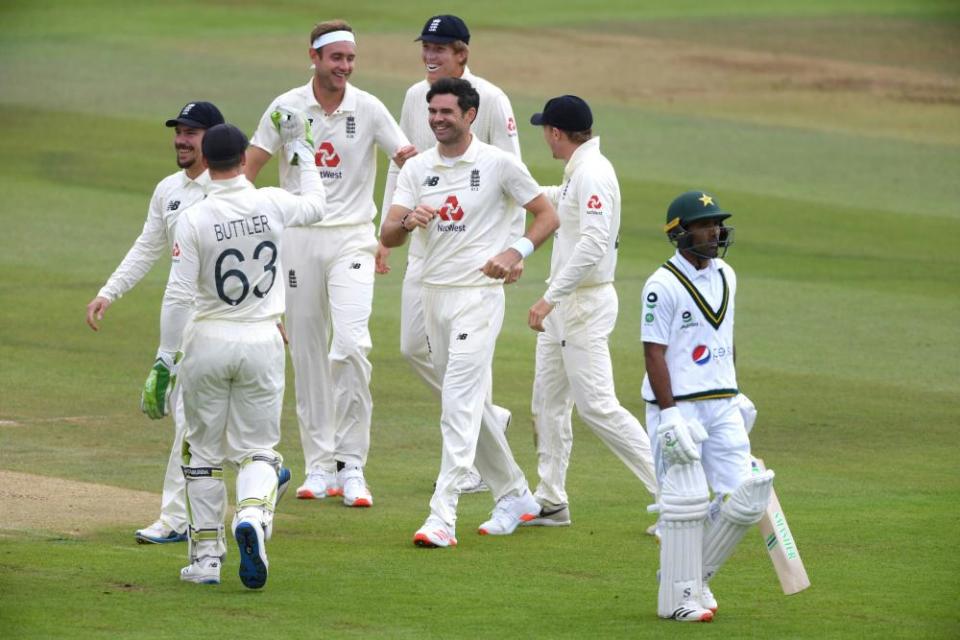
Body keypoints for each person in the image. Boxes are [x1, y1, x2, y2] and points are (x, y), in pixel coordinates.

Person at [141, 117, 326, 588]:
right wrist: (302, 149)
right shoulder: (271, 203)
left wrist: (165, 359)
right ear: (244, 159)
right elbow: (318, 206)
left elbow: (178, 295)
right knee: (258, 451)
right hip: (263, 338)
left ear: (208, 161)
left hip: (207, 339)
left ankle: (205, 559)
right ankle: (249, 516)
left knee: (199, 450)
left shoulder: (195, 217)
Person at [381, 77, 559, 548]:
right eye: (432, 112)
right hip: (432, 294)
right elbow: (388, 235)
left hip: (478, 296)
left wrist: (515, 252)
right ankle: (516, 495)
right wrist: (406, 221)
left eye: (447, 113)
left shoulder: (499, 164)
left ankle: (442, 514)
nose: (437, 120)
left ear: (470, 115)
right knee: (468, 404)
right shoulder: (417, 168)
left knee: (458, 402)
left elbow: (547, 215)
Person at [244, 20, 415, 507]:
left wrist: (392, 228)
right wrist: (260, 237)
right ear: (314, 57)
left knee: (352, 345)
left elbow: (406, 158)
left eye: (350, 59)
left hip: (352, 240)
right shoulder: (286, 107)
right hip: (298, 238)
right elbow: (249, 171)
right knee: (308, 355)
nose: (344, 67)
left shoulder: (369, 107)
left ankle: (353, 466)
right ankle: (320, 466)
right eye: (336, 58)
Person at [85, 101, 246, 545]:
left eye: (191, 133)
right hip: (182, 320)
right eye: (178, 131)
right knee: (200, 420)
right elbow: (146, 246)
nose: (181, 139)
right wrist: (108, 291)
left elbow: (259, 257)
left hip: (222, 319)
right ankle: (260, 470)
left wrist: (273, 316)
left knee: (188, 420)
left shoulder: (232, 192)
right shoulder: (168, 190)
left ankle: (176, 517)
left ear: (211, 139)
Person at [378, 14, 521, 494]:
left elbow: (514, 178)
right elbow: (402, 168)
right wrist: (387, 232)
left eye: (440, 48)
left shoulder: (491, 99)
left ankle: (476, 469)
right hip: (422, 244)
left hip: (476, 252)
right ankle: (487, 418)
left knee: (468, 361)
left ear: (463, 53)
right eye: (426, 48)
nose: (430, 56)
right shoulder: (415, 97)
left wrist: (513, 250)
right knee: (412, 346)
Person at [521, 95, 658, 528]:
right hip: (568, 304)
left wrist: (551, 297)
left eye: (546, 129)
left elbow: (594, 242)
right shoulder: (580, 171)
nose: (545, 135)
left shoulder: (594, 173)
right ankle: (551, 500)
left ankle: (675, 495)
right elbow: (560, 200)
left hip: (583, 303)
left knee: (598, 406)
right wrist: (514, 188)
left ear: (556, 133)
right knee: (548, 402)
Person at [640, 190, 774, 621]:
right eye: (704, 224)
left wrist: (733, 392)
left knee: (746, 499)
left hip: (720, 404)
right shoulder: (661, 285)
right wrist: (671, 415)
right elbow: (653, 352)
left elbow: (724, 339)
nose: (714, 231)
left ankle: (692, 577)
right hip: (678, 407)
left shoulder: (727, 275)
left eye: (716, 223)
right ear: (679, 233)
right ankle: (679, 599)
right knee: (685, 505)